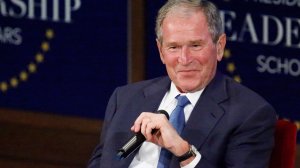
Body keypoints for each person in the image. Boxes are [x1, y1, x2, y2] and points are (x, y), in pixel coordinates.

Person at [87, 0, 277, 167]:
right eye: (174, 47)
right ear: (161, 52)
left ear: (219, 47)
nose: (184, 59)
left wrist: (184, 151)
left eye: (195, 45)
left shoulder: (250, 113)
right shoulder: (125, 98)